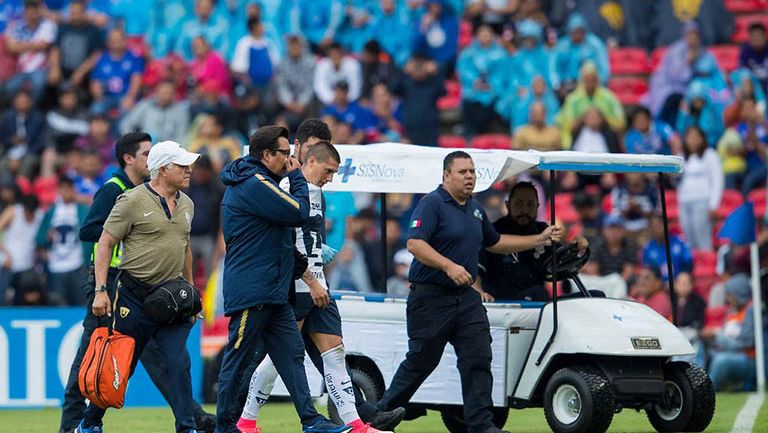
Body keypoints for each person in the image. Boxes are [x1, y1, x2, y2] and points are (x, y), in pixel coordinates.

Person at [374, 151, 562, 433]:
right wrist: (449, 266)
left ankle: (480, 425)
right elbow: (414, 244)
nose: (470, 176)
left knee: (478, 357)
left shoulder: (475, 209)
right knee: (421, 362)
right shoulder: (432, 204)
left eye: (472, 171)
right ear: (446, 175)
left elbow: (495, 242)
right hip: (431, 297)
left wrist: (540, 238)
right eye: (463, 172)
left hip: (465, 298)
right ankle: (379, 415)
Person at [237, 141, 404, 433]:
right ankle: (246, 420)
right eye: (329, 170)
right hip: (297, 287)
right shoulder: (288, 188)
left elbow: (309, 236)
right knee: (278, 359)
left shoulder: (319, 195)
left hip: (320, 286)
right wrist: (309, 279)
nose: (331, 177)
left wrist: (320, 258)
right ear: (311, 161)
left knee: (336, 353)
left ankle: (356, 425)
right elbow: (282, 242)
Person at [61, 133, 214, 433]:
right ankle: (90, 422)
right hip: (133, 296)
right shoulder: (129, 200)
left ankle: (186, 426)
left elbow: (184, 247)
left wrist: (190, 293)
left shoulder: (188, 204)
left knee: (179, 363)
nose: (189, 170)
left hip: (171, 297)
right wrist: (101, 291)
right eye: (181, 165)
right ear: (162, 169)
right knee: (121, 365)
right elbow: (104, 243)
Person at [216, 126, 350, 433]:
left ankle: (311, 420)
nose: (290, 160)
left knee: (291, 355)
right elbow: (299, 212)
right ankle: (224, 426)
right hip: (252, 289)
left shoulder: (264, 183)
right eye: (284, 154)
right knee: (237, 359)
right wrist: (300, 178)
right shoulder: (255, 183)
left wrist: (305, 269)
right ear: (266, 155)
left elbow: (280, 241)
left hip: (274, 290)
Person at [476, 182, 587, 302]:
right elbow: (476, 270)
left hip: (537, 303)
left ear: (537, 206)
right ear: (508, 205)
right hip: (504, 303)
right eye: (519, 204)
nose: (524, 210)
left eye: (530, 204)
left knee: (595, 296)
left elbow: (563, 261)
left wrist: (577, 247)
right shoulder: (494, 232)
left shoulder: (543, 230)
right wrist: (480, 292)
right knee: (538, 292)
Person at [36, 176, 89, 306]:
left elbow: (89, 234)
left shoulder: (82, 209)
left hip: (77, 264)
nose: (65, 192)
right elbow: (39, 238)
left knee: (81, 302)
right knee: (59, 302)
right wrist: (46, 238)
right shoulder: (51, 212)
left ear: (73, 190)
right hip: (56, 265)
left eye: (68, 189)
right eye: (62, 189)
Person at [677, 126, 723, 251]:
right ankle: (692, 267)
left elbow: (717, 181)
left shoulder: (710, 155)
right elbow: (677, 181)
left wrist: (714, 205)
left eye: (696, 137)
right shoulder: (681, 156)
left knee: (702, 237)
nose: (693, 141)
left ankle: (706, 265)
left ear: (702, 139)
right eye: (690, 137)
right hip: (684, 201)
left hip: (702, 201)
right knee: (688, 238)